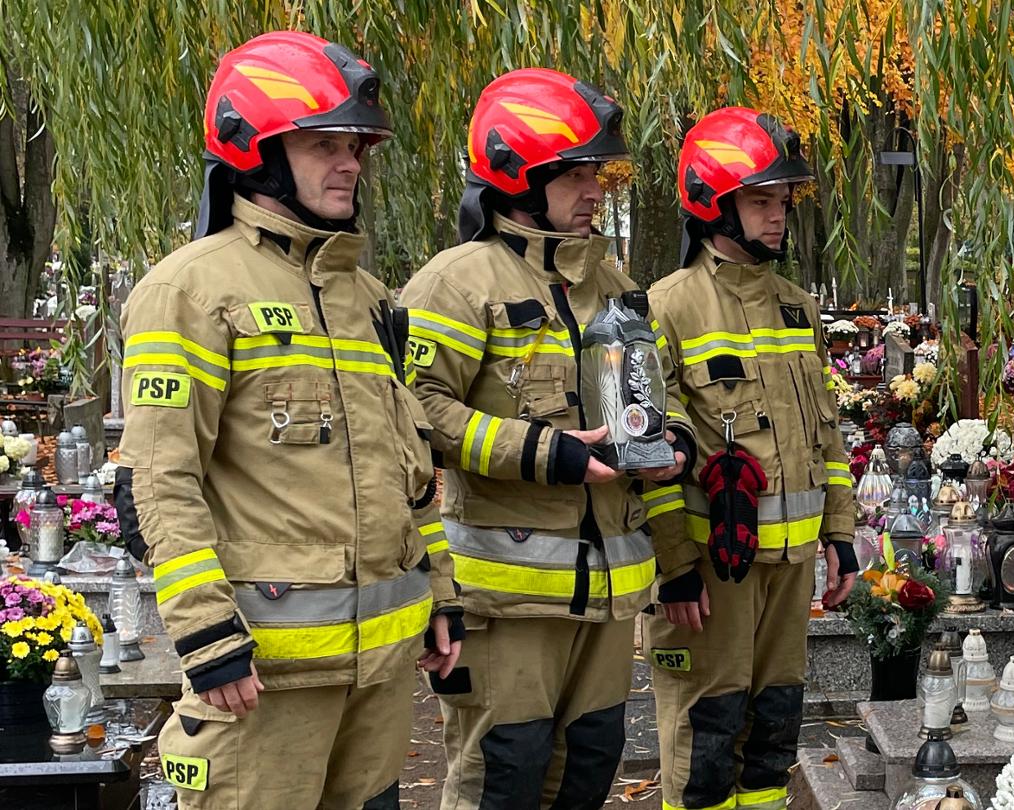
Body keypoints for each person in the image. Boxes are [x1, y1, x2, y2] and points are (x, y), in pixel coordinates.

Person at [117, 30, 456, 809]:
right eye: (324, 144)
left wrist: (439, 595)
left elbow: (407, 471)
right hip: (261, 678)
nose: (351, 163)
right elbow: (160, 479)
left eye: (358, 146)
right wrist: (207, 636)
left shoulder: (365, 298)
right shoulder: (191, 292)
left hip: (379, 670)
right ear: (254, 149)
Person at [400, 67, 689, 810]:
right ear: (516, 176)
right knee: (504, 778)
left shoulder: (612, 279)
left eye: (597, 173)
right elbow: (413, 408)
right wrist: (545, 453)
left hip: (609, 599)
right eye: (575, 175)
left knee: (587, 771)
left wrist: (670, 439)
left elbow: (655, 387)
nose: (596, 190)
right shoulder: (456, 282)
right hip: (508, 601)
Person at [644, 106, 860, 810]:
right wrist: (675, 568)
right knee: (706, 740)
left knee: (772, 733)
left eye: (783, 201)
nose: (778, 216)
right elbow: (652, 459)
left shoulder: (796, 307)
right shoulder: (667, 309)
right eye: (761, 200)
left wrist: (840, 537)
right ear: (714, 201)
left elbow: (823, 437)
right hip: (712, 576)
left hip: (790, 573)